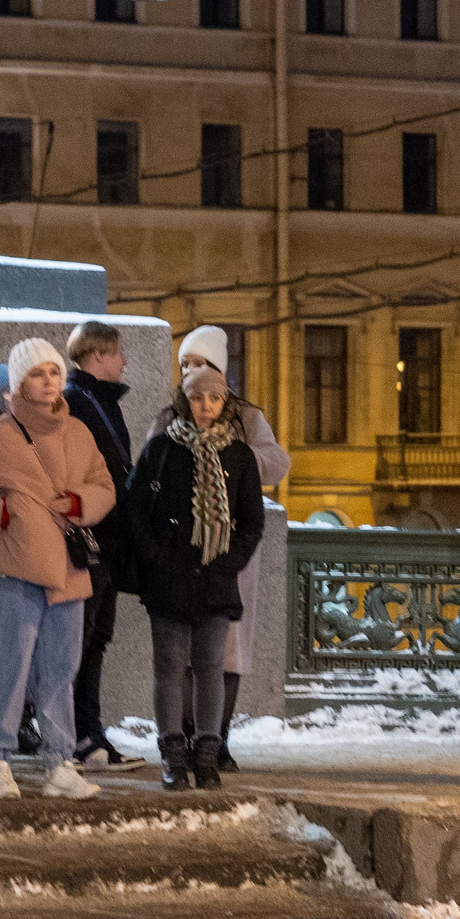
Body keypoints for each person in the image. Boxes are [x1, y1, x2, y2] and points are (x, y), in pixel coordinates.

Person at [0, 338, 113, 802]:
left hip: (69, 569)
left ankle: (60, 760)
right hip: (16, 565)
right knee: (8, 667)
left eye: (54, 372)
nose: (49, 381)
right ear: (19, 382)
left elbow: (104, 486)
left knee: (61, 668)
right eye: (38, 374)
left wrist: (80, 504)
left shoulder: (77, 432)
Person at [149, 327, 289, 772]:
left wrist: (235, 457)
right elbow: (148, 472)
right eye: (184, 363)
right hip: (179, 557)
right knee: (180, 657)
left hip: (230, 559)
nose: (190, 371)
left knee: (225, 652)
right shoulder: (168, 416)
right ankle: (183, 738)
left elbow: (277, 462)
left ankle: (216, 740)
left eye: (199, 362)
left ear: (220, 370)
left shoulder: (246, 418)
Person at [124, 363, 265, 791]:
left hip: (216, 578)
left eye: (215, 398)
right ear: (184, 401)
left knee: (209, 667)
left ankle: (207, 753)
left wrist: (229, 561)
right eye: (198, 398)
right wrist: (156, 558)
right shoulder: (162, 449)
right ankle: (172, 754)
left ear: (225, 404)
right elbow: (134, 510)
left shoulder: (238, 456)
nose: (205, 406)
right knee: (168, 666)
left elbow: (252, 521)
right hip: (169, 577)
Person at [60, 321, 139, 772]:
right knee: (79, 642)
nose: (124, 360)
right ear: (97, 355)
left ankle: (89, 733)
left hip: (108, 544)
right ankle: (75, 735)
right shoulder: (76, 402)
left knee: (95, 642)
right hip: (88, 544)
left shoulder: (100, 401)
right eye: (118, 352)